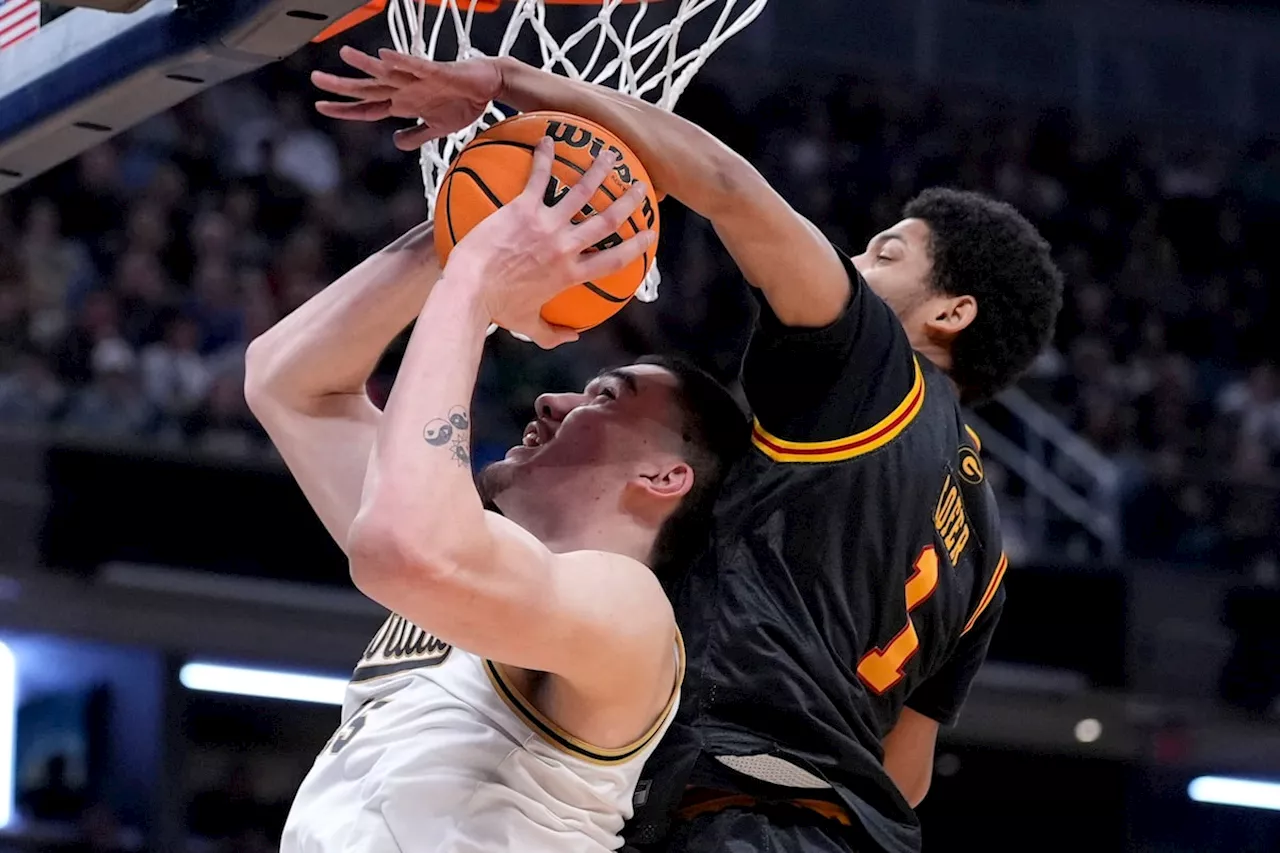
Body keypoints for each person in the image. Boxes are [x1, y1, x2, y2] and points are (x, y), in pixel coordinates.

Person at [311, 49, 1064, 853]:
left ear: (952, 312)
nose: (850, 263)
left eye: (883, 254)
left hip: (737, 815)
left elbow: (730, 189)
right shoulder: (984, 555)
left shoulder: (875, 370)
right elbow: (907, 773)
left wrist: (505, 83)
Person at [246, 143, 750, 852]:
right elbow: (290, 384)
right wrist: (465, 225)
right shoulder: (479, 556)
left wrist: (478, 285)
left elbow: (401, 547)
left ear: (666, 477)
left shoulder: (633, 612)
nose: (550, 397)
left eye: (604, 395)